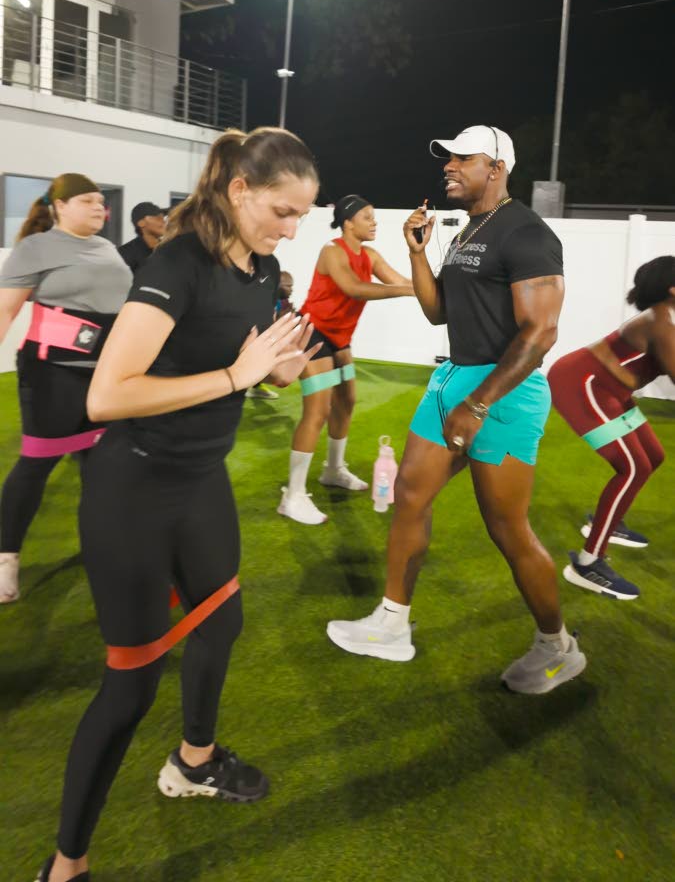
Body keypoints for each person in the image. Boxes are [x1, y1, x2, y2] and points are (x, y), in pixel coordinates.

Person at [34, 127, 320, 882]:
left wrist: (278, 370)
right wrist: (237, 375)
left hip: (200, 479)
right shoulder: (178, 263)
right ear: (240, 192)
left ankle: (192, 762)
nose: (290, 229)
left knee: (220, 620)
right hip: (133, 486)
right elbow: (107, 395)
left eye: (301, 216)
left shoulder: (262, 268)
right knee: (130, 686)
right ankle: (66, 866)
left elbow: (250, 365)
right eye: (282, 211)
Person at [327, 126, 587, 695]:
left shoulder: (528, 233)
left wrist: (478, 402)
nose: (447, 166)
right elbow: (437, 311)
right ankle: (393, 623)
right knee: (410, 496)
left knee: (508, 530)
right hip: (451, 377)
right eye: (445, 158)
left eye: (459, 158)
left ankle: (557, 646)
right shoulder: (471, 229)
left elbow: (540, 332)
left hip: (503, 391)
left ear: (495, 167)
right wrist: (418, 253)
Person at [0, 174, 131, 604]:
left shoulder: (109, 248)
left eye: (102, 201)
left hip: (105, 376)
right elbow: (6, 310)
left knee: (102, 466)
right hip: (51, 373)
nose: (101, 208)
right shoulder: (35, 248)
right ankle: (6, 557)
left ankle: (101, 546)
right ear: (59, 205)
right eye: (89, 201)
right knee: (37, 466)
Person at [279, 195, 414, 525]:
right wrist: (411, 292)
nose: (374, 222)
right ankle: (293, 496)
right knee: (319, 410)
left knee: (347, 400)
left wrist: (435, 287)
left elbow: (401, 280)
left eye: (374, 216)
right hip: (314, 335)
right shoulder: (332, 251)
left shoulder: (369, 254)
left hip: (339, 340)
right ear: (348, 222)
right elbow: (354, 288)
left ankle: (333, 470)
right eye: (367, 217)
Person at [547, 255, 674, 601]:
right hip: (581, 384)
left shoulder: (667, 317)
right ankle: (588, 564)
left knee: (653, 456)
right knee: (633, 467)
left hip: (611, 390)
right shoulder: (660, 319)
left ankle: (608, 520)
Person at [246, 271, 295, 399]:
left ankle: (256, 387)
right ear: (278, 285)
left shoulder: (282, 303)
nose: (291, 290)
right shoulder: (266, 299)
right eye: (288, 286)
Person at [117, 201, 166, 274]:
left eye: (163, 218)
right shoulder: (125, 253)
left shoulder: (168, 249)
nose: (163, 222)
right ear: (141, 223)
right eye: (158, 218)